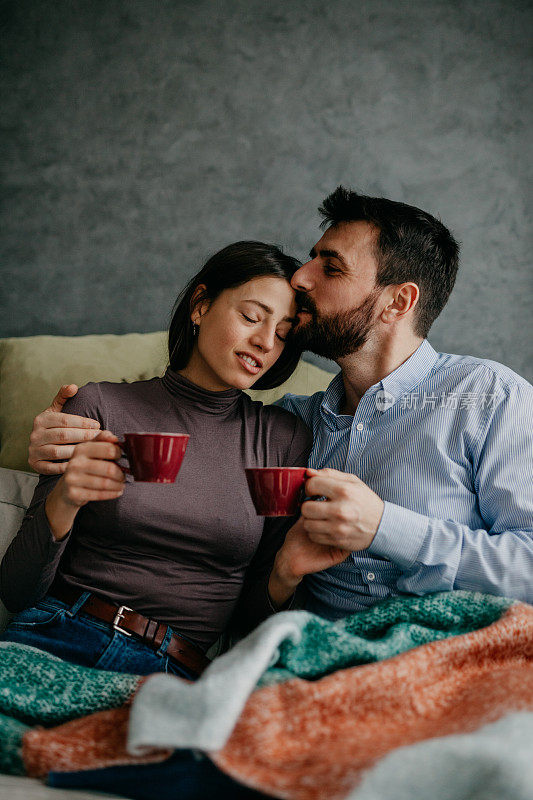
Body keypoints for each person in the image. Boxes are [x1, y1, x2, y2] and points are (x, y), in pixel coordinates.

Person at [26, 189, 533, 621]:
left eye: (330, 268)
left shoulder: (485, 397)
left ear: (397, 302)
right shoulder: (293, 425)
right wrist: (57, 442)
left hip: (437, 655)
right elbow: (197, 431)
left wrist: (385, 527)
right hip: (306, 666)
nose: (302, 278)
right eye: (311, 258)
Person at [0, 241, 313, 678]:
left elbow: (251, 626)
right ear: (200, 305)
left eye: (281, 333)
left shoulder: (282, 440)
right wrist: (65, 500)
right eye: (251, 317)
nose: (263, 341)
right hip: (58, 633)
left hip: (174, 674)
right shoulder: (98, 406)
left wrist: (286, 574)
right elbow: (16, 591)